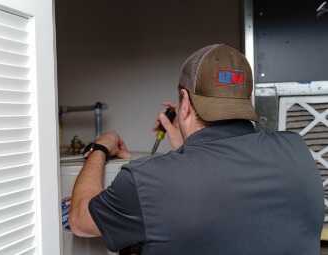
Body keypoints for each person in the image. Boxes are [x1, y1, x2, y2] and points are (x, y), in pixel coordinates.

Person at [69, 44, 325, 254]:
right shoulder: (297, 152)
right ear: (249, 101)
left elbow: (80, 221)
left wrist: (100, 147)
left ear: (186, 103)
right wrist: (189, 146)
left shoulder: (146, 180)